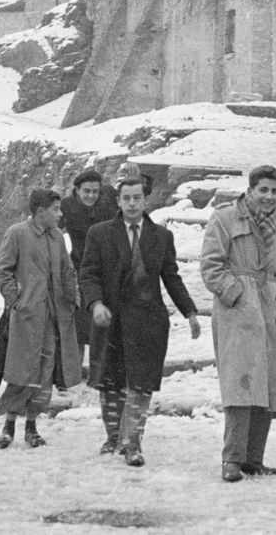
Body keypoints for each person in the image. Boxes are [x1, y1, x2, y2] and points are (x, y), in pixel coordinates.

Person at [201, 165, 276, 482]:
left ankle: (254, 458)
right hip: (237, 311)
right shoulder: (225, 218)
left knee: (267, 384)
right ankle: (231, 460)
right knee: (240, 385)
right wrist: (236, 294)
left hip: (271, 309)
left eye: (274, 191)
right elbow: (211, 267)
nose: (268, 197)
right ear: (250, 190)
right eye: (262, 190)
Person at [78, 177, 201, 467]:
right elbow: (88, 274)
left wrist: (190, 312)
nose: (132, 204)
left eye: (137, 198)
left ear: (145, 200)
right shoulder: (100, 234)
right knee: (111, 382)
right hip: (110, 320)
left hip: (148, 321)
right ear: (118, 201)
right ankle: (113, 437)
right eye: (126, 198)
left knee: (142, 384)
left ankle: (132, 442)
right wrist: (95, 304)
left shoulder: (161, 236)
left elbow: (171, 277)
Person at [0, 189, 82, 450]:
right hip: (28, 319)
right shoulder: (17, 233)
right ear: (40, 212)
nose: (60, 214)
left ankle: (31, 427)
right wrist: (16, 301)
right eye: (55, 209)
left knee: (44, 374)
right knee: (22, 372)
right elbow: (3, 270)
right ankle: (8, 427)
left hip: (54, 319)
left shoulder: (57, 237)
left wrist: (71, 299)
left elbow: (67, 270)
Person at [60, 169, 117, 364]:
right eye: (86, 191)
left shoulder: (109, 199)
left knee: (103, 322)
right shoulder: (66, 206)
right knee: (79, 322)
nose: (91, 195)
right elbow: (51, 224)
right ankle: (74, 370)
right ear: (76, 190)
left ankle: (101, 370)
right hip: (78, 269)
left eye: (95, 191)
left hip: (105, 269)